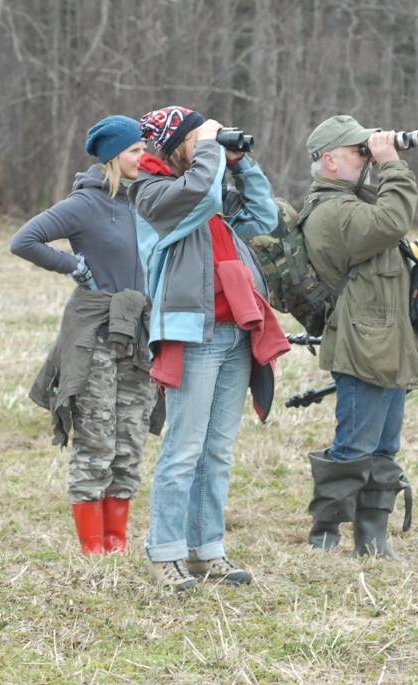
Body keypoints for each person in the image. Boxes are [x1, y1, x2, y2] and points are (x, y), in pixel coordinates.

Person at [131, 106, 288, 591]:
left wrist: (241, 164)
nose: (208, 142)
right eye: (195, 136)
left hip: (235, 333)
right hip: (192, 334)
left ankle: (206, 551)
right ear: (176, 143)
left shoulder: (210, 184)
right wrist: (210, 147)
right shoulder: (153, 192)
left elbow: (264, 217)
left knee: (216, 450)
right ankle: (166, 554)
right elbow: (197, 192)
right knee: (183, 450)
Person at [12, 115, 159, 556]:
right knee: (96, 439)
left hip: (137, 333)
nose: (143, 157)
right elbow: (25, 240)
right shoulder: (85, 204)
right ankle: (93, 551)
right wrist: (72, 267)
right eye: (135, 151)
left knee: (129, 439)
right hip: (93, 334)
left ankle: (117, 545)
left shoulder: (142, 201)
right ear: (113, 156)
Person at [300, 115, 418, 559]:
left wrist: (380, 160)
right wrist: (391, 164)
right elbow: (392, 220)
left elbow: (390, 213)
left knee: (385, 447)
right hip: (362, 340)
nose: (366, 156)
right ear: (329, 160)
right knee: (354, 446)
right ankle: (325, 533)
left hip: (386, 337)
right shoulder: (333, 211)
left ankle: (373, 536)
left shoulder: (352, 200)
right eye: (357, 151)